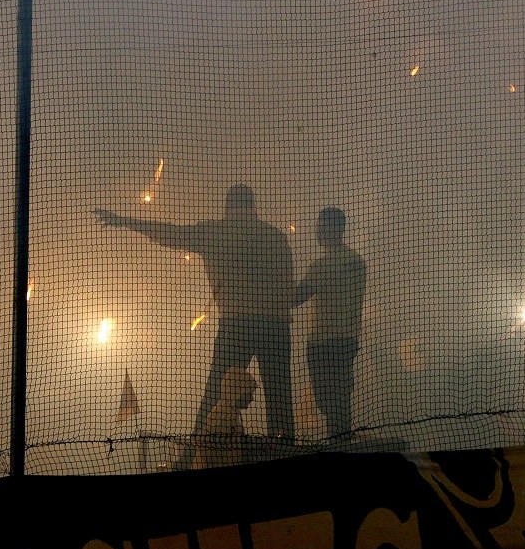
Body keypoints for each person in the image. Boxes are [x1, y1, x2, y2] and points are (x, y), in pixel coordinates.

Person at [95, 182, 295, 439]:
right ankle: (285, 448)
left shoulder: (217, 232)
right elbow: (287, 286)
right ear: (253, 206)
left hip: (237, 323)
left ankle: (197, 452)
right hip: (275, 325)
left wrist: (124, 221)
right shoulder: (274, 236)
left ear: (228, 207)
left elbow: (171, 234)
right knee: (279, 395)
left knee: (217, 394)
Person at [292, 206, 366, 439]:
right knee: (341, 394)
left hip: (322, 342)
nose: (317, 232)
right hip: (348, 339)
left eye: (320, 226)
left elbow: (296, 298)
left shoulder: (322, 266)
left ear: (331, 229)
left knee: (326, 398)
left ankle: (338, 440)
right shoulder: (358, 262)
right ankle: (341, 437)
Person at [192, 367, 257, 469]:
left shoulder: (230, 414)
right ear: (237, 393)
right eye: (249, 394)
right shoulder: (221, 417)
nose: (252, 399)